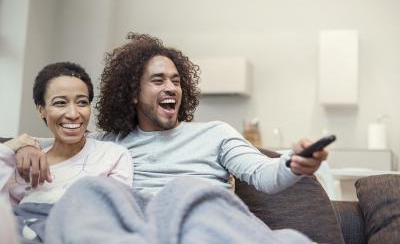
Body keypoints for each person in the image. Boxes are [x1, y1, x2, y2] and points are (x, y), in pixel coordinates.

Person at [12, 34, 327, 243]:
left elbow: (264, 174)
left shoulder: (214, 133)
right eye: (158, 80)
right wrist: (25, 143)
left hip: (201, 221)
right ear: (133, 93)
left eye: (176, 81)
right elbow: (55, 143)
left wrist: (295, 163)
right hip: (142, 229)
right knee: (90, 191)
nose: (171, 88)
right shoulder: (108, 144)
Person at [0, 62, 133, 242]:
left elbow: (116, 214)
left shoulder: (112, 155)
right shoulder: (23, 163)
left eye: (82, 103)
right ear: (41, 110)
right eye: (60, 103)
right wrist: (15, 145)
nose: (73, 113)